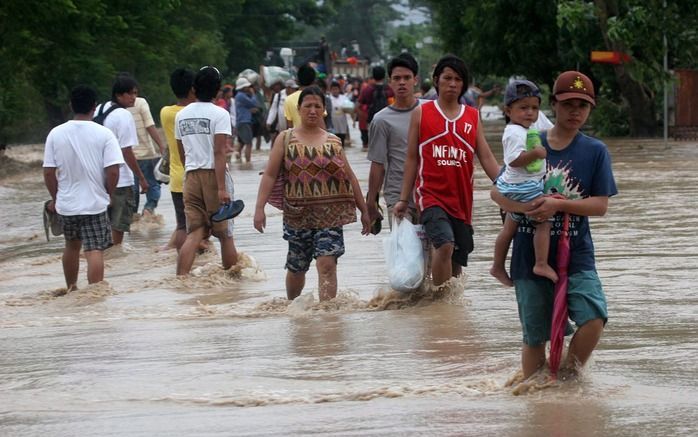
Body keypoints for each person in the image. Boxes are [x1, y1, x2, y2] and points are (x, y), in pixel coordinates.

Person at [491, 71, 617, 380]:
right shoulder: (528, 141)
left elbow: (600, 205)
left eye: (583, 106)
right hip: (528, 253)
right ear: (553, 105)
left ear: (591, 109)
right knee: (536, 335)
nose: (575, 112)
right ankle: (537, 395)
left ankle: (564, 379)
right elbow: (496, 191)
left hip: (578, 252)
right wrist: (524, 208)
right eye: (568, 104)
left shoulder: (595, 151)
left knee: (594, 318)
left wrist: (558, 204)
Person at [254, 86, 370, 301]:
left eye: (317, 106)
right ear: (298, 109)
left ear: (324, 110)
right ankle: (293, 308)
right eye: (308, 106)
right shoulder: (285, 139)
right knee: (297, 268)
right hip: (297, 216)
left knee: (327, 264)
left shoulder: (334, 141)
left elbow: (350, 177)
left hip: (331, 216)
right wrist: (259, 209)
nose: (313, 111)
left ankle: (328, 316)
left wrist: (364, 210)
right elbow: (269, 175)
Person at [394, 54, 500, 287]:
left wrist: (506, 187)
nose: (452, 83)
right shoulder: (421, 113)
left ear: (464, 84)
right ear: (436, 80)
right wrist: (403, 198)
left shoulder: (472, 116)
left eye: (458, 79)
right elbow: (412, 158)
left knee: (457, 260)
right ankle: (439, 304)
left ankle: (450, 313)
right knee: (444, 245)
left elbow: (486, 156)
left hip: (462, 200)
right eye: (447, 78)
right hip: (430, 196)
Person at [42, 85, 124, 289]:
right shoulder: (104, 134)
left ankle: (71, 288)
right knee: (94, 249)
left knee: (71, 246)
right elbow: (113, 171)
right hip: (95, 203)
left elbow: (48, 172)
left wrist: (56, 198)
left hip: (67, 205)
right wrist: (108, 193)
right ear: (94, 107)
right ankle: (94, 295)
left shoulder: (55, 133)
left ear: (71, 105)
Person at [490, 80, 557, 287]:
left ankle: (497, 266)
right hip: (523, 188)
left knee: (509, 228)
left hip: (514, 187)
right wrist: (536, 153)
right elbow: (514, 159)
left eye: (534, 108)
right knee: (544, 222)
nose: (530, 113)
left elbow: (552, 131)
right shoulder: (513, 132)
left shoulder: (527, 126)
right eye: (523, 108)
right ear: (508, 111)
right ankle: (541, 263)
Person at [175, 66, 239, 275]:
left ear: (194, 88)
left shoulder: (181, 115)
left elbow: (181, 151)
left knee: (194, 232)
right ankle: (233, 283)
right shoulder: (220, 114)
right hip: (214, 175)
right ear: (218, 90)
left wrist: (190, 173)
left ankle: (181, 279)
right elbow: (219, 152)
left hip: (191, 176)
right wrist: (221, 188)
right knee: (224, 235)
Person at [366, 52, 421, 228]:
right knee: (404, 254)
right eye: (397, 78)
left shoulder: (431, 111)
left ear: (415, 80)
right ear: (390, 82)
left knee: (433, 255)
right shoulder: (381, 120)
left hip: (430, 194)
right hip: (397, 197)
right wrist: (371, 202)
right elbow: (378, 164)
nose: (402, 82)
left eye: (407, 77)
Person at [96, 73, 148, 246]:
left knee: (100, 227)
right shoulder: (124, 116)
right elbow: (127, 152)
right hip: (120, 179)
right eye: (130, 94)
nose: (134, 97)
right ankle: (114, 263)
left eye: (135, 93)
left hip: (98, 178)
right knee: (118, 228)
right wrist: (141, 178)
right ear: (119, 95)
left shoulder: (99, 110)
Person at [160, 68, 196, 251]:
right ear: (192, 89)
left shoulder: (166, 113)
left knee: (183, 225)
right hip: (197, 177)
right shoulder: (195, 113)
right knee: (200, 228)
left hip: (176, 179)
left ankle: (179, 263)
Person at [128, 95, 167, 216]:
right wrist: (161, 146)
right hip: (145, 153)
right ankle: (148, 209)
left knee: (132, 189)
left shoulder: (115, 107)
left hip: (127, 156)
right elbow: (150, 125)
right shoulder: (140, 102)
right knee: (153, 185)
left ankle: (132, 218)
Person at [358, 66, 395, 149]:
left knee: (374, 145)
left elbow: (360, 103)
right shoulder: (389, 89)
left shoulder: (367, 89)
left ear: (373, 76)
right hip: (388, 119)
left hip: (372, 119)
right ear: (384, 76)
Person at [283, 64, 316, 129]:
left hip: (296, 138)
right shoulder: (318, 98)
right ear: (314, 81)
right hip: (316, 138)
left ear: (297, 81)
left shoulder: (288, 99)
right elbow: (321, 123)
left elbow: (289, 126)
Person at [234, 77, 258, 163]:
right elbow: (254, 103)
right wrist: (253, 93)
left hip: (240, 121)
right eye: (247, 86)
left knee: (241, 142)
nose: (249, 88)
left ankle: (238, 159)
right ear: (243, 87)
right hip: (245, 122)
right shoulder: (242, 95)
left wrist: (249, 110)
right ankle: (248, 162)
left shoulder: (238, 96)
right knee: (249, 143)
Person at [265, 79, 287, 146]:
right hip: (277, 121)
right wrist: (269, 122)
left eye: (277, 85)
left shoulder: (282, 94)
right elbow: (273, 109)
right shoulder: (276, 95)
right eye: (275, 86)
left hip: (284, 121)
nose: (276, 87)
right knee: (275, 140)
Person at [328, 80, 350, 147]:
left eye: (336, 89)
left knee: (341, 141)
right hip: (332, 124)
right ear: (330, 90)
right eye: (333, 89)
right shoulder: (328, 99)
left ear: (339, 89)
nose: (335, 91)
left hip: (342, 123)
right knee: (333, 142)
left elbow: (349, 108)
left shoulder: (344, 98)